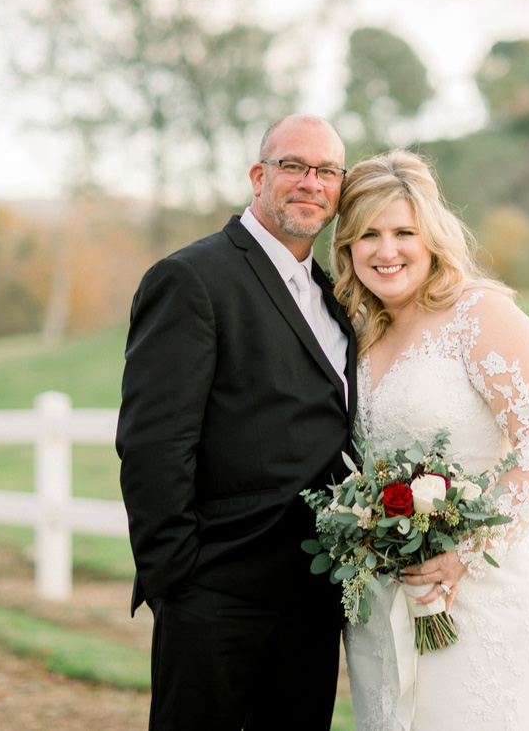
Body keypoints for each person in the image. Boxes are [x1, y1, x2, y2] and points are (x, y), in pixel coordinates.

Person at [116, 114, 358, 731]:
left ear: (340, 186)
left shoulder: (330, 295)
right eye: (293, 166)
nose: (310, 181)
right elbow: (153, 443)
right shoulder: (194, 278)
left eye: (326, 170)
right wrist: (180, 580)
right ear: (258, 176)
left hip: (312, 597)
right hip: (217, 597)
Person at [330, 150, 529, 731]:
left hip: (478, 581)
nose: (386, 250)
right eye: (368, 234)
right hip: (383, 586)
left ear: (432, 235)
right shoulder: (360, 328)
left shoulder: (480, 313)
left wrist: (464, 551)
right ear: (347, 248)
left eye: (402, 232)